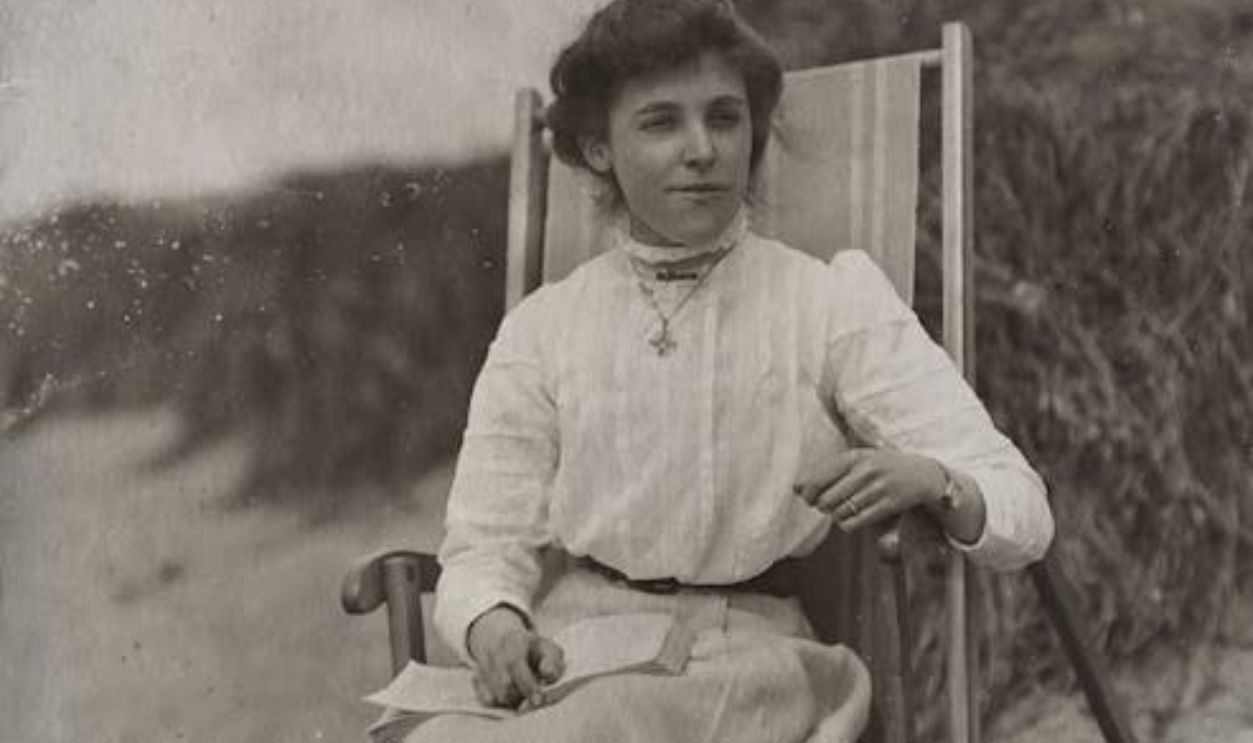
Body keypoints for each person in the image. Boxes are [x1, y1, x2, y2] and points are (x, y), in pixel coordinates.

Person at [392, 1, 1054, 741]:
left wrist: (934, 479)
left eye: (724, 117)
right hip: (574, 649)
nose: (701, 148)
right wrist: (496, 628)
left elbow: (1020, 509)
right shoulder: (545, 327)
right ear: (598, 147)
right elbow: (485, 541)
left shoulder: (826, 300)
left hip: (747, 656)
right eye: (660, 122)